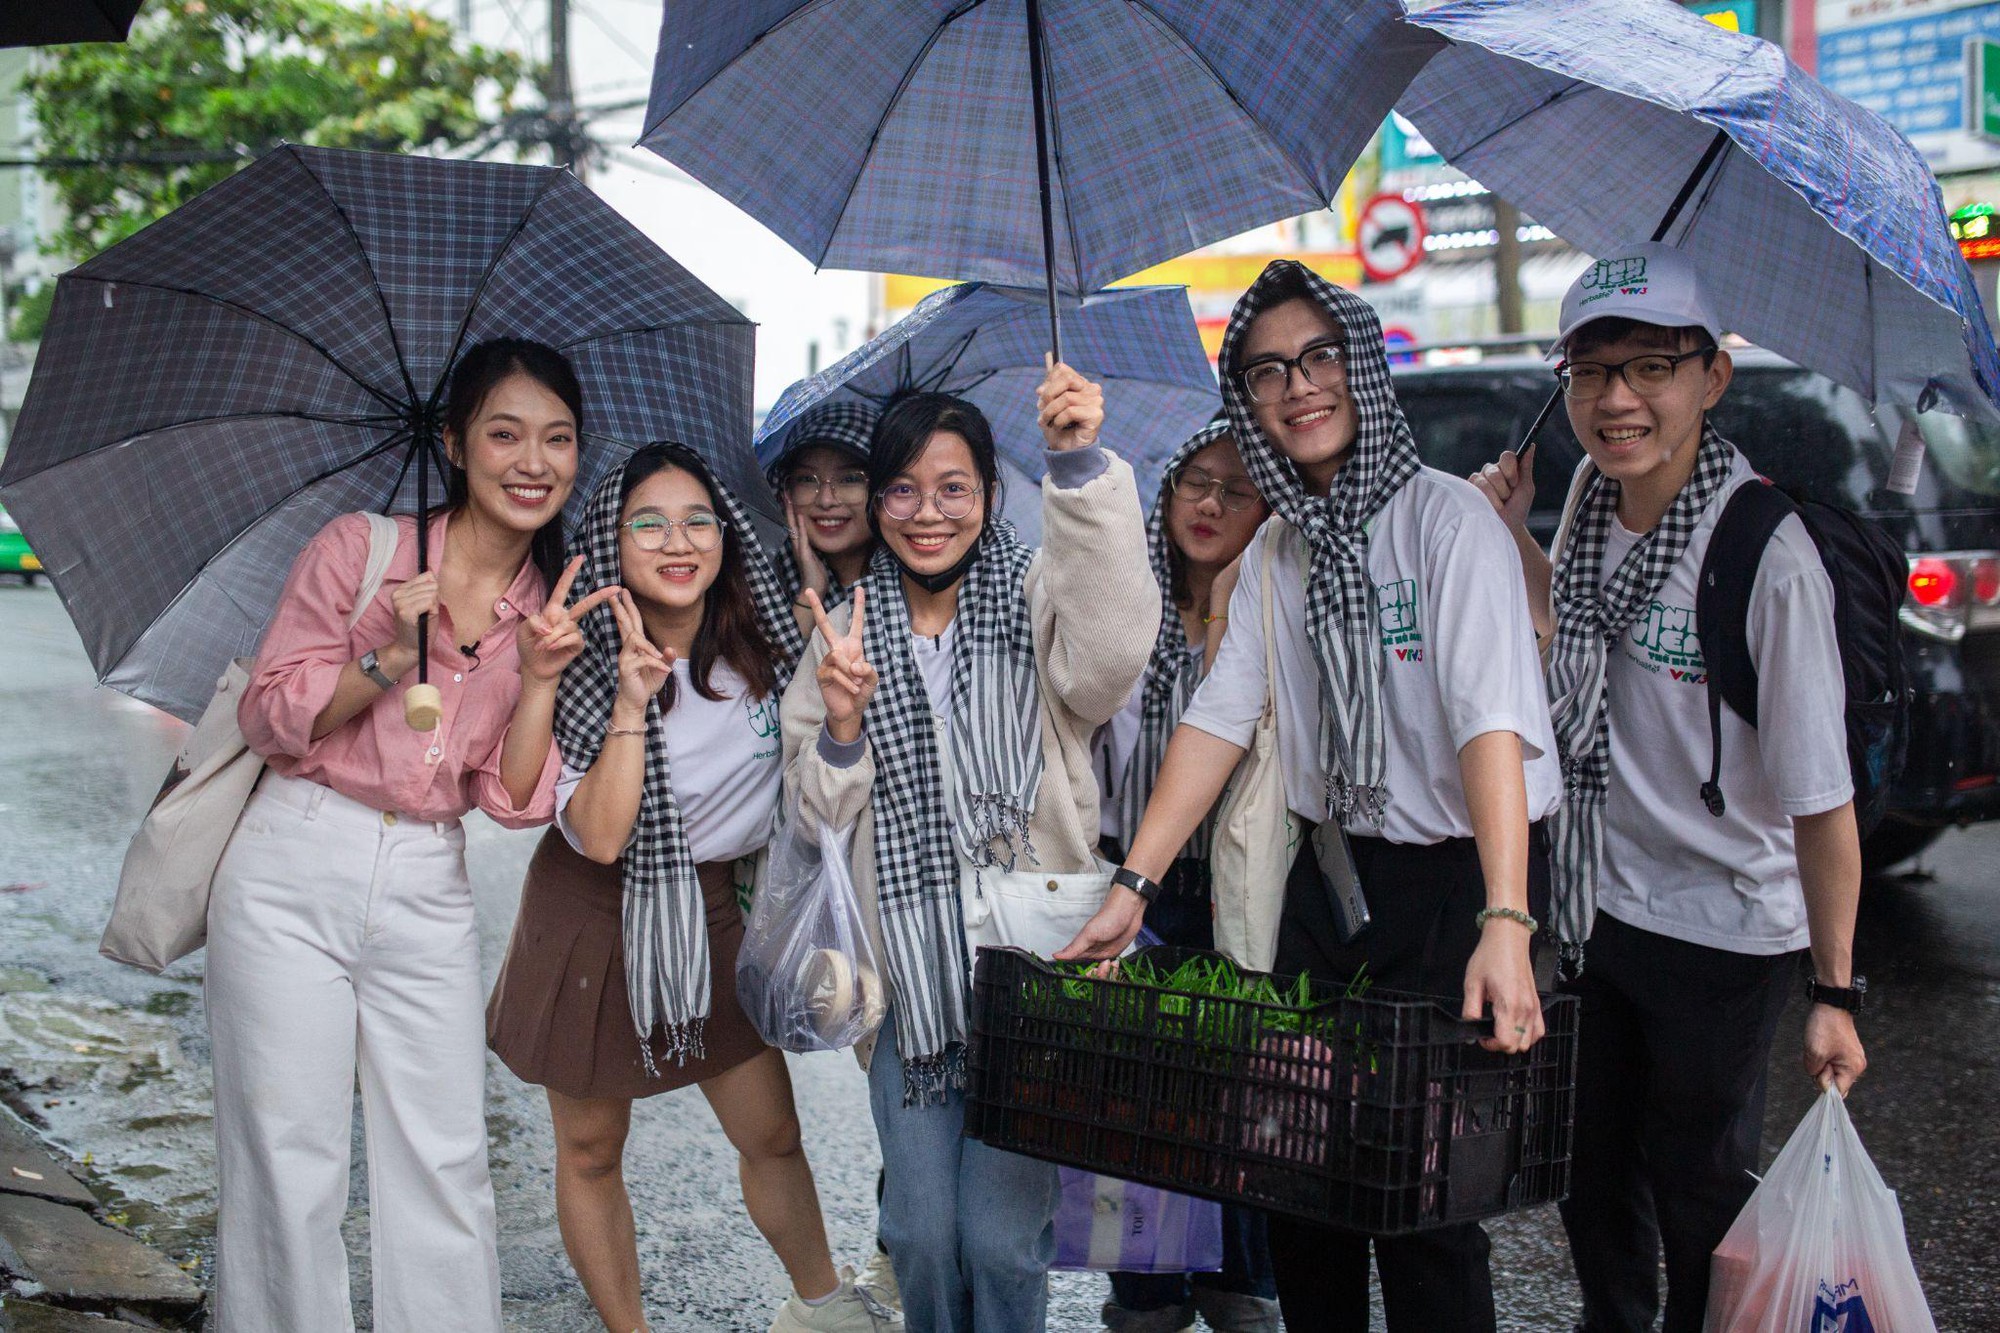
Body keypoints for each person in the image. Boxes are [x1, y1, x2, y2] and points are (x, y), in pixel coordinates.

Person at [1060, 259, 1561, 1333]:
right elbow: (1217, 716)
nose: (1297, 386)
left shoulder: (1444, 525)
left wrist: (1505, 920)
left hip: (1468, 867)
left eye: (1318, 356)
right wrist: (1133, 883)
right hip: (1337, 875)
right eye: (1265, 371)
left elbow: (1490, 730)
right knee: (1299, 1170)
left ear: (1363, 365)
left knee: (1426, 1199)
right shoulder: (1281, 547)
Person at [1470, 241, 1868, 1333]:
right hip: (1599, 907)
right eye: (1591, 371)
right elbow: (1587, 634)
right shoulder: (1597, 498)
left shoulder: (1760, 550)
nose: (1616, 399)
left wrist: (1832, 993)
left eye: (1650, 367)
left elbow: (1820, 800)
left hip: (1724, 928)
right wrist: (1509, 537)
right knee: (1592, 1178)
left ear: (1711, 376)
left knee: (1696, 1188)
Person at [217, 338, 592, 1330]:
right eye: (505, 432)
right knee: (287, 1152)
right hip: (296, 855)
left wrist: (543, 677)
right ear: (456, 443)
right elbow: (268, 715)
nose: (532, 460)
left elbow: (510, 800)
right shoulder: (361, 550)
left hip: (429, 876)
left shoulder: (540, 613)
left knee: (444, 1155)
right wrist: (384, 656)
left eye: (557, 438)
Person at [780, 359, 1158, 1333]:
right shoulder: (838, 630)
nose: (925, 511)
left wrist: (1076, 466)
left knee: (998, 1239)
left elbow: (1112, 657)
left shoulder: (1036, 597)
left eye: (953, 487)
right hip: (907, 991)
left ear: (990, 496)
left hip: (1032, 978)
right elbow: (811, 822)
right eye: (901, 488)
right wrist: (838, 726)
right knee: (917, 1232)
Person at [485, 442, 892, 1333]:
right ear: (612, 543)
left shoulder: (768, 642)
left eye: (698, 518)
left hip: (712, 908)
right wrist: (632, 703)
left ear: (726, 535)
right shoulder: (582, 663)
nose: (679, 539)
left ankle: (822, 1304)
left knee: (771, 1131)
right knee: (592, 1148)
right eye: (650, 522)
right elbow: (597, 834)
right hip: (592, 910)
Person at [1093, 420, 1280, 1333]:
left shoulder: (1275, 611)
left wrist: (1230, 607)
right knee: (1138, 1098)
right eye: (1194, 483)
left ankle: (1240, 1282)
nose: (1208, 504)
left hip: (1239, 891)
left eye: (1235, 490)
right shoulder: (1128, 607)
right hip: (1129, 880)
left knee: (1242, 1101)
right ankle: (1146, 1296)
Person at [773, 400, 882, 634]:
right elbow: (771, 670)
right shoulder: (764, 582)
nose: (825, 500)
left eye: (850, 479)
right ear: (786, 493)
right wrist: (811, 589)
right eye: (806, 479)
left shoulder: (914, 584)